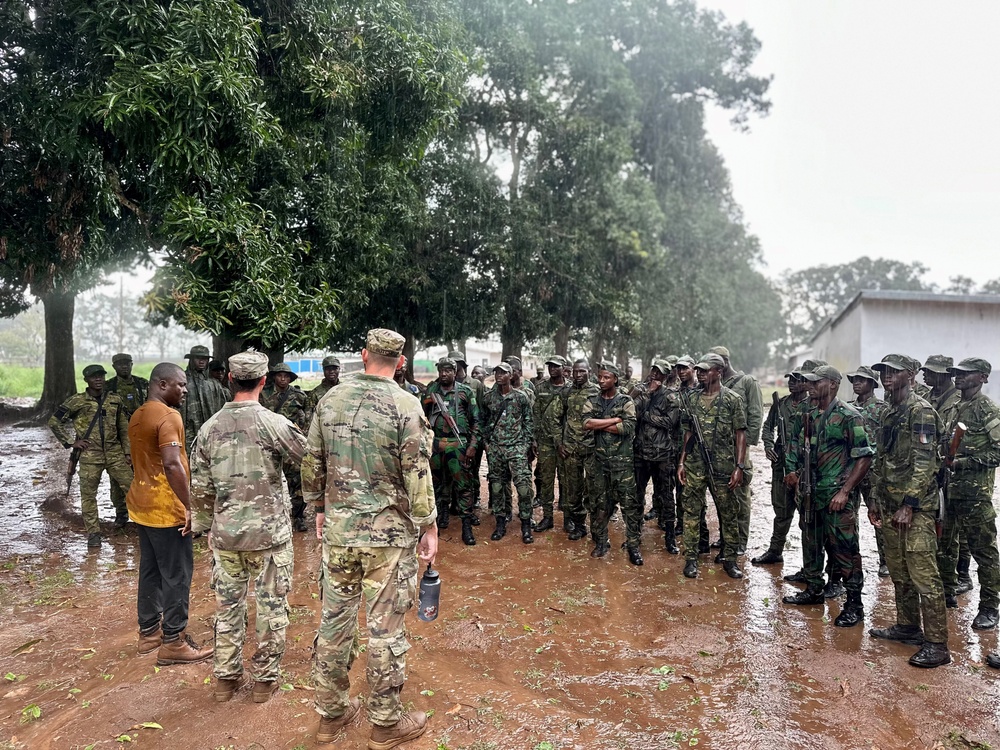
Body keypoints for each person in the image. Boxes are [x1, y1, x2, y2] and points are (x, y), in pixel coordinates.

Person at [302, 328, 436, 747]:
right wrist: (428, 525)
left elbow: (312, 463)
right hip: (388, 540)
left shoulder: (329, 400)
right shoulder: (405, 404)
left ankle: (330, 716)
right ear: (400, 362)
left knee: (335, 623)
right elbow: (417, 472)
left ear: (363, 356)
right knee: (385, 631)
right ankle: (385, 724)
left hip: (341, 535)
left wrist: (319, 510)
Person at [191, 351, 308, 703]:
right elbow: (310, 460)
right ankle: (263, 682)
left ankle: (226, 680)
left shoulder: (209, 428)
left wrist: (204, 526)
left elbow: (199, 487)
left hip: (226, 536)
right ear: (263, 380)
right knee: (272, 608)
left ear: (228, 379)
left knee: (228, 607)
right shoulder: (275, 424)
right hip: (270, 536)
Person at [126, 362, 213, 665]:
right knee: (177, 575)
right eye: (181, 384)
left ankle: (149, 633)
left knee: (150, 570)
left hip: (141, 506)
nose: (186, 390)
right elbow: (172, 464)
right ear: (162, 384)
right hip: (166, 508)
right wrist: (190, 506)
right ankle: (174, 642)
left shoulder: (138, 414)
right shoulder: (168, 415)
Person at [868, 354, 950, 668]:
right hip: (891, 505)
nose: (886, 375)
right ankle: (907, 626)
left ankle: (938, 644)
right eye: (884, 371)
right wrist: (876, 498)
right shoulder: (891, 411)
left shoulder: (921, 411)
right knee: (900, 571)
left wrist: (909, 504)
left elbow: (926, 462)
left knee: (924, 576)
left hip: (915, 510)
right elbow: (882, 459)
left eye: (893, 371)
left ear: (911, 375)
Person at [781, 366, 873, 628]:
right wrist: (792, 470)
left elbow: (864, 456)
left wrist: (845, 492)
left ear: (832, 384)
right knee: (810, 541)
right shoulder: (808, 413)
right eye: (807, 382)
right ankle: (814, 588)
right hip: (810, 493)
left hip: (835, 496)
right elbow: (796, 445)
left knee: (844, 550)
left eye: (815, 382)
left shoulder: (848, 416)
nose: (809, 385)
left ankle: (854, 604)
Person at [937, 358, 1000, 630]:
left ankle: (989, 606)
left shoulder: (988, 410)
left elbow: (997, 452)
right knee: (945, 546)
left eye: (966, 374)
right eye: (957, 373)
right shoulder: (952, 406)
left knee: (983, 551)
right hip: (948, 491)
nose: (958, 377)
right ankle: (947, 593)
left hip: (975, 495)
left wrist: (963, 462)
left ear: (983, 377)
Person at [676, 354, 747, 579]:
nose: (701, 374)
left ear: (719, 371)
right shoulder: (692, 399)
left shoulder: (733, 399)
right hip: (696, 464)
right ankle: (691, 559)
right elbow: (687, 432)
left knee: (728, 513)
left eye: (706, 370)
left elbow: (740, 434)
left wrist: (739, 466)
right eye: (700, 370)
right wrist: (681, 461)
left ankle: (730, 559)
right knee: (691, 512)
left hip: (723, 465)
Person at [49, 364, 133, 547]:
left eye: (101, 376)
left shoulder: (115, 400)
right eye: (94, 376)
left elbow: (123, 428)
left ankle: (143, 525)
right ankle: (94, 533)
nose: (98, 379)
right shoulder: (76, 401)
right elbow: (54, 421)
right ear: (86, 380)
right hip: (90, 456)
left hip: (114, 453)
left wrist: (127, 452)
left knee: (133, 488)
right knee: (88, 495)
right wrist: (71, 442)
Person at [583, 363, 640, 564]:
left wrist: (601, 423)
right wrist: (614, 419)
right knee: (600, 505)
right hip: (599, 463)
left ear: (615, 378)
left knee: (629, 507)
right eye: (599, 377)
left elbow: (629, 427)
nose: (601, 381)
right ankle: (601, 542)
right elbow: (586, 424)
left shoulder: (626, 400)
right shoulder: (592, 400)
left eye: (606, 377)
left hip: (622, 464)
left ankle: (633, 546)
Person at [709, 346, 762, 557]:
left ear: (724, 361)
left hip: (738, 448)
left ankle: (740, 540)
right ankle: (726, 537)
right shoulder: (717, 385)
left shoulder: (747, 382)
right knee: (722, 494)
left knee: (740, 494)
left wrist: (745, 446)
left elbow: (756, 414)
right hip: (719, 448)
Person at [421, 357, 480, 544]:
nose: (444, 374)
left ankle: (466, 527)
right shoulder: (431, 390)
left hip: (457, 444)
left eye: (448, 370)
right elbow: (421, 416)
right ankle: (437, 522)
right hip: (436, 445)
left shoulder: (465, 392)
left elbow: (476, 421)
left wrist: (472, 446)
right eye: (441, 370)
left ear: (455, 372)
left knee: (463, 486)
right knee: (436, 486)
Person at [753, 368, 809, 565]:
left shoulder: (811, 405)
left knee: (807, 516)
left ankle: (810, 564)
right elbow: (768, 427)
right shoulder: (782, 403)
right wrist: (768, 446)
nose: (792, 383)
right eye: (790, 379)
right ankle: (775, 551)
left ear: (807, 382)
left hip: (803, 466)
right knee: (782, 511)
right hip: (780, 464)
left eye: (797, 379)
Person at [481, 362, 536, 543]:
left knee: (523, 488)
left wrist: (525, 445)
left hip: (516, 448)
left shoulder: (521, 397)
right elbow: (482, 422)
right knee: (497, 488)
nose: (499, 376)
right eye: (497, 372)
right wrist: (487, 443)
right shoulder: (489, 397)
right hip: (496, 449)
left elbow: (529, 422)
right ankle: (500, 524)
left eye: (503, 373)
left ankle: (526, 526)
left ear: (511, 375)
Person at [846, 366, 890, 577]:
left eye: (862, 380)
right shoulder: (847, 408)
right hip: (852, 470)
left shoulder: (882, 409)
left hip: (873, 471)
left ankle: (886, 560)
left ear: (873, 384)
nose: (856, 383)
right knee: (849, 516)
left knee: (878, 515)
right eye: (854, 379)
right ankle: (852, 559)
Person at [632, 359, 680, 554]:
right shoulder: (642, 391)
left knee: (666, 497)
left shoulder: (671, 396)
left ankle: (670, 538)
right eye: (653, 371)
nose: (655, 375)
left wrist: (647, 417)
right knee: (636, 496)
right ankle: (634, 536)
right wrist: (645, 395)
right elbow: (630, 411)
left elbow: (670, 422)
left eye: (659, 373)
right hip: (641, 454)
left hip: (662, 455)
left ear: (666, 375)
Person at [260, 363, 310, 532]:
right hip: (268, 443)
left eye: (286, 376)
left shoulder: (299, 396)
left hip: (290, 443)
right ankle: (270, 517)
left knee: (296, 481)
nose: (283, 378)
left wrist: (304, 436)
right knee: (268, 480)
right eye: (280, 375)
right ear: (274, 376)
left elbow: (308, 416)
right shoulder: (263, 394)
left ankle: (298, 516)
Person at [561, 360, 600, 540]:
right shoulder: (567, 391)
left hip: (592, 449)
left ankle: (598, 530)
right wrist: (559, 442)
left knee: (594, 490)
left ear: (589, 372)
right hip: (571, 449)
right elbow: (555, 417)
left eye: (582, 371)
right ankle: (579, 526)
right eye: (575, 371)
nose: (578, 375)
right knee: (573, 490)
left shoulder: (597, 391)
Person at [532, 356, 569, 534]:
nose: (552, 369)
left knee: (567, 480)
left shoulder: (571, 389)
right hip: (546, 442)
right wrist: (535, 440)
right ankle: (547, 517)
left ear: (564, 368)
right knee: (546, 480)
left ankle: (568, 519)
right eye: (550, 366)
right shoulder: (541, 388)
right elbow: (536, 415)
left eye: (556, 367)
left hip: (566, 443)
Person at [179, 344, 228, 455]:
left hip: (212, 433)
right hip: (189, 433)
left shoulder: (214, 384)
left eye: (205, 359)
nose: (201, 361)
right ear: (191, 360)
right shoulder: (182, 381)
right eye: (198, 358)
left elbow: (223, 408)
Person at [306, 355, 342, 427]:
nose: (331, 371)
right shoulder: (315, 393)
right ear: (323, 370)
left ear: (339, 369)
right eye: (328, 369)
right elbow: (308, 417)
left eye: (334, 369)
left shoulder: (345, 389)